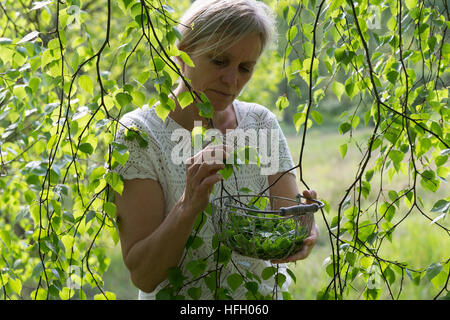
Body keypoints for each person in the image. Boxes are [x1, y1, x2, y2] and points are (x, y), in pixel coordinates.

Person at [113, 0, 319, 300]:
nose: (232, 80)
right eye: (219, 61)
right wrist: (188, 205)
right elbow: (144, 276)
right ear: (183, 52)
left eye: (245, 68)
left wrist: (302, 230)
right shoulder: (140, 135)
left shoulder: (260, 124)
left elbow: (282, 230)